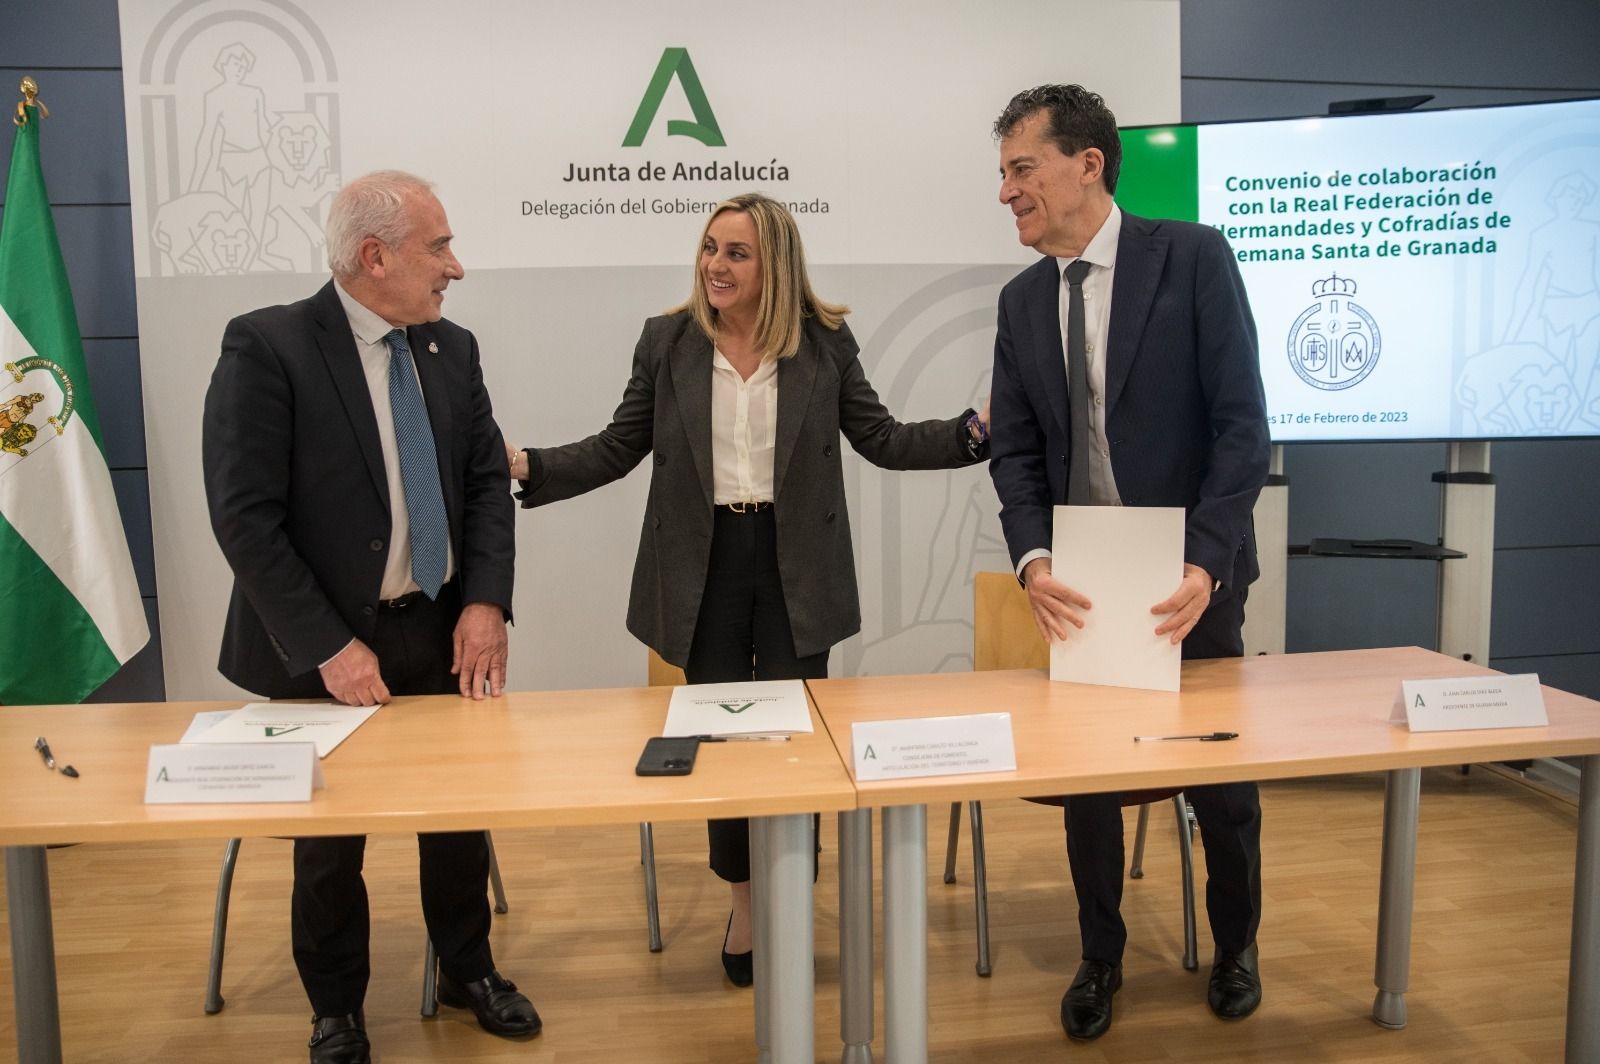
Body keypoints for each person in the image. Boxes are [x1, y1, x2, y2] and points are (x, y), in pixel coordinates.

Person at [509, 191, 988, 987]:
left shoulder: (825, 344)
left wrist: (977, 431)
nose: (716, 266)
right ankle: (745, 904)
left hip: (795, 561)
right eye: (709, 248)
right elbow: (621, 444)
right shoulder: (667, 341)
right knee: (724, 742)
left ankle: (791, 888)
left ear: (776, 263)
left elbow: (882, 438)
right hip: (704, 564)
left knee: (796, 743)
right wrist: (530, 464)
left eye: (736, 252)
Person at [202, 170, 538, 1064]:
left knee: (458, 817)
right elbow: (245, 517)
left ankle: (469, 971)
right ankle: (337, 1011)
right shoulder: (267, 346)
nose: (455, 268)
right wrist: (328, 648)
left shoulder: (450, 349)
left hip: (434, 624)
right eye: (439, 248)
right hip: (317, 643)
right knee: (328, 845)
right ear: (374, 255)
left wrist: (485, 601)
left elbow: (482, 487)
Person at [986, 85, 1271, 1041]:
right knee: (1091, 784)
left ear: (1087, 165)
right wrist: (1031, 560)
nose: (1007, 193)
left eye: (1022, 170)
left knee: (1222, 784)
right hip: (1084, 583)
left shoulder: (1191, 257)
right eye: (1005, 174)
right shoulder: (1022, 300)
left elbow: (1243, 430)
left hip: (1195, 579)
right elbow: (1016, 454)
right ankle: (1100, 956)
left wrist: (1206, 563)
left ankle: (1235, 945)